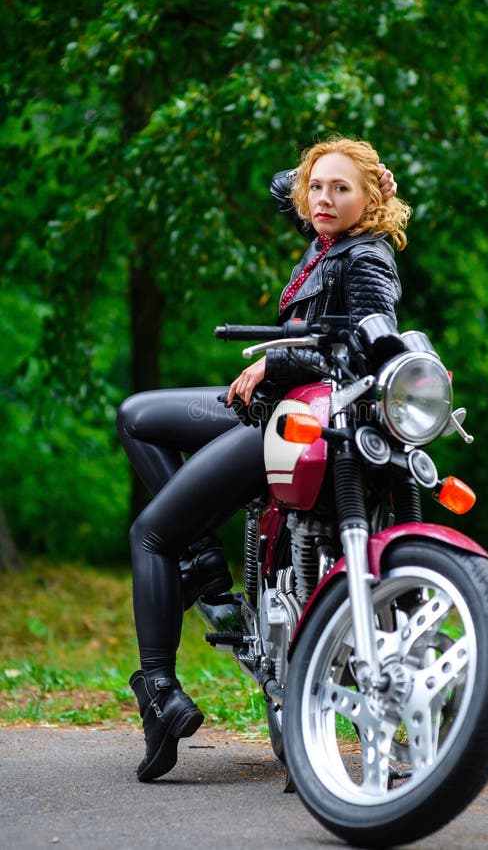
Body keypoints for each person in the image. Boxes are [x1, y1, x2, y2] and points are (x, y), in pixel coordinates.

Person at [116, 137, 411, 782]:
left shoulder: (366, 257)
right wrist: (339, 171)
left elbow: (361, 352)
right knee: (137, 415)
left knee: (151, 532)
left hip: (300, 417)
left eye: (341, 190)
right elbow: (285, 183)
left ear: (371, 202)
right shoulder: (322, 230)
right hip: (270, 404)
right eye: (317, 188)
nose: (322, 199)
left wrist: (277, 360)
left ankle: (160, 689)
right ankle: (204, 570)